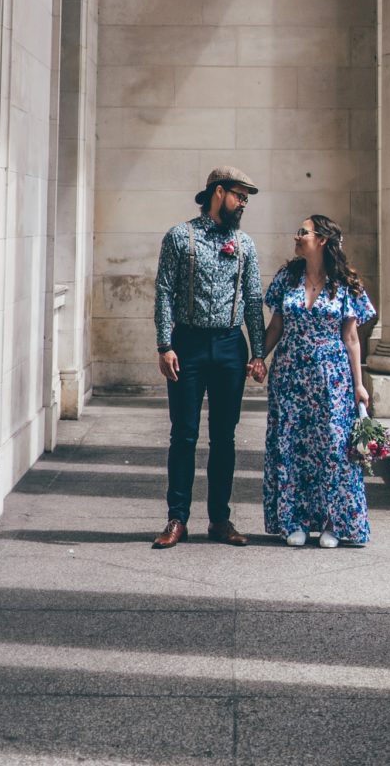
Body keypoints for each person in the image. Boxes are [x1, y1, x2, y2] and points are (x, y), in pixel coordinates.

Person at [152, 168, 267, 548]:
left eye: (247, 198)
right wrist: (164, 345)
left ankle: (220, 519)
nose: (244, 203)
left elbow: (253, 300)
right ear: (219, 193)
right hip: (188, 344)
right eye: (239, 196)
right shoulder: (179, 236)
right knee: (183, 435)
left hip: (231, 347)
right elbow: (165, 292)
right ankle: (177, 519)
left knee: (225, 436)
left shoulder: (245, 244)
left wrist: (259, 353)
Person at [260, 213, 377, 547]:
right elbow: (275, 328)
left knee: (333, 450)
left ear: (322, 240)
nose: (296, 237)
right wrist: (256, 359)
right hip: (289, 376)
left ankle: (334, 523)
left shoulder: (345, 284)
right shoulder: (287, 277)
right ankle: (293, 520)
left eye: (303, 232)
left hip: (333, 379)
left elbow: (352, 339)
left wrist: (358, 384)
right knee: (290, 446)